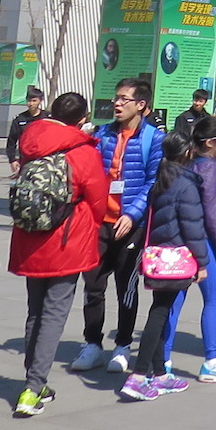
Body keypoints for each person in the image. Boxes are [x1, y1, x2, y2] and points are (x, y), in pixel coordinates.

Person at [9, 91, 108, 418]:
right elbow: (98, 200)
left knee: (35, 312)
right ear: (83, 119)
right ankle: (33, 387)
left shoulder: (30, 142)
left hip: (30, 239)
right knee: (54, 315)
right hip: (67, 241)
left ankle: (33, 378)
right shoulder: (82, 151)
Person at [70, 77, 163, 373]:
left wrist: (132, 214)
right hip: (99, 223)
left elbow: (153, 181)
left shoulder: (153, 139)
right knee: (93, 285)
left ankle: (122, 345)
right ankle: (92, 344)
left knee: (127, 288)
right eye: (116, 98)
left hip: (130, 226)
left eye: (124, 99)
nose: (117, 104)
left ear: (141, 105)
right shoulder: (103, 135)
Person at [120, 133, 209, 401]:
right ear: (188, 153)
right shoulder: (185, 184)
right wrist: (202, 262)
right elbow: (193, 227)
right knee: (159, 314)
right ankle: (138, 376)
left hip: (158, 256)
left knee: (160, 309)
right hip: (175, 258)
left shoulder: (161, 180)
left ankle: (159, 374)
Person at [166, 119, 216, 383]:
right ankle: (211, 360)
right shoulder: (209, 168)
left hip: (181, 241)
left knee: (174, 303)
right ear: (210, 143)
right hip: (203, 243)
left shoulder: (189, 164)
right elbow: (212, 217)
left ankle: (163, 360)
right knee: (214, 299)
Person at [4, 87, 46, 169]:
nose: (31, 104)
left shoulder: (47, 118)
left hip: (44, 159)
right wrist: (12, 160)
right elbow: (12, 141)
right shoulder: (19, 119)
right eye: (29, 101)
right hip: (26, 160)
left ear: (40, 101)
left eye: (34, 101)